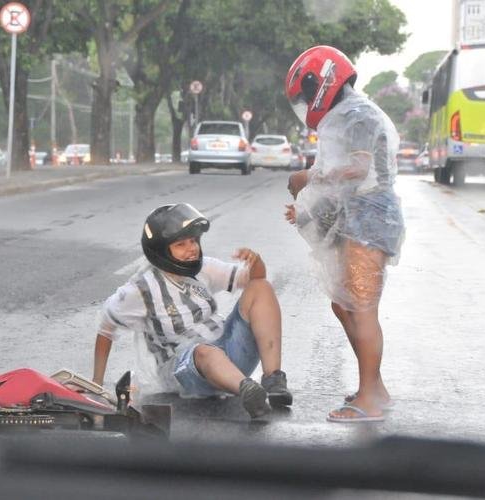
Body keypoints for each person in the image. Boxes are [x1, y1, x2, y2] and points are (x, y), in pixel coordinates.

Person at [283, 46, 405, 423]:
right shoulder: (344, 115)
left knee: (362, 307)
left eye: (304, 98)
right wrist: (306, 209)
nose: (305, 108)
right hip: (358, 218)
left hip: (371, 220)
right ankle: (376, 387)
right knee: (344, 304)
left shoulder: (358, 114)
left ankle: (370, 397)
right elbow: (343, 178)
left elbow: (358, 167)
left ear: (317, 83)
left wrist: (307, 177)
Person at [92, 203, 292, 419]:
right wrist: (96, 385)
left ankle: (273, 380)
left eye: (194, 241)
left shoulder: (204, 268)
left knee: (260, 287)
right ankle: (248, 392)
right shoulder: (141, 290)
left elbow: (255, 278)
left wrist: (256, 261)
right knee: (202, 351)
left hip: (228, 353)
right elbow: (106, 328)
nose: (192, 248)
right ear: (160, 250)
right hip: (186, 370)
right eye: (181, 244)